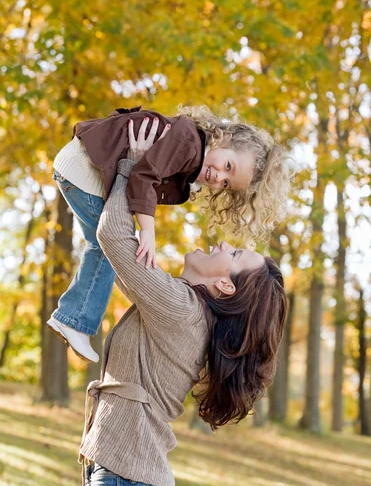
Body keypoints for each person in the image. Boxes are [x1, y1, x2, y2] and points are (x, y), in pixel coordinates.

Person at [79, 126, 288, 486]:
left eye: (234, 255)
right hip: (127, 483)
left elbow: (114, 237)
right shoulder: (188, 311)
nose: (225, 243)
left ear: (223, 285)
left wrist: (131, 166)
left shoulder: (181, 309)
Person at [47, 106, 290, 363]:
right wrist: (147, 232)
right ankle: (74, 321)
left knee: (102, 248)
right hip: (84, 167)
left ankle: (73, 318)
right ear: (223, 139)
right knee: (105, 247)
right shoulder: (188, 143)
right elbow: (142, 178)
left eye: (227, 183)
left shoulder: (188, 158)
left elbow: (143, 182)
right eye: (227, 165)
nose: (219, 177)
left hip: (79, 166)